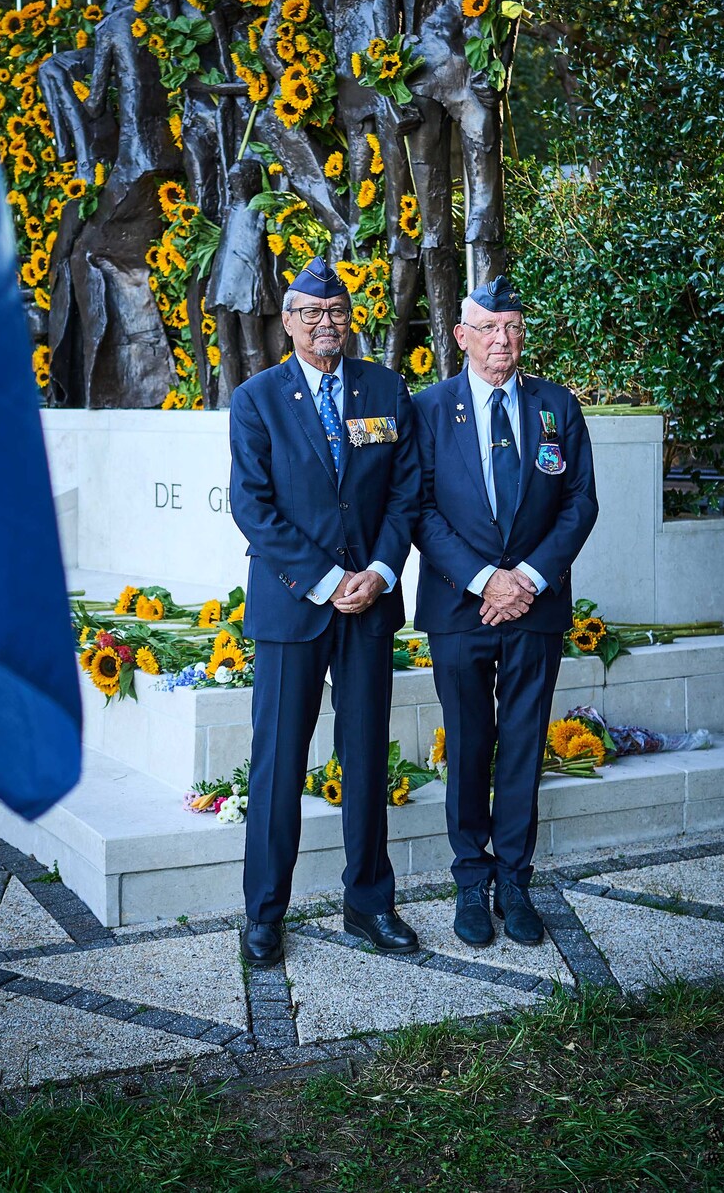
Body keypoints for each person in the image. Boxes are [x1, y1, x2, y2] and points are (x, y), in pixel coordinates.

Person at [229, 258, 423, 964]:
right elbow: (253, 506)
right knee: (277, 763)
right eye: (310, 313)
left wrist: (376, 571)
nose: (325, 323)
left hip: (369, 605)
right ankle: (263, 913)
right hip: (292, 607)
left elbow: (406, 492)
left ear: (350, 317)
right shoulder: (257, 399)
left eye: (336, 311)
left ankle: (369, 903)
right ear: (288, 321)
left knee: (367, 755)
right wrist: (323, 578)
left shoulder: (385, 388)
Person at [410, 275, 598, 947]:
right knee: (467, 742)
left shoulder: (557, 406)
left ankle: (514, 881)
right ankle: (470, 879)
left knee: (522, 743)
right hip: (461, 609)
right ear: (461, 335)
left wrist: (529, 579)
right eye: (489, 327)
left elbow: (580, 502)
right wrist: (487, 579)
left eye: (514, 327)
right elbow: (421, 510)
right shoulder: (429, 409)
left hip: (535, 607)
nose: (504, 340)